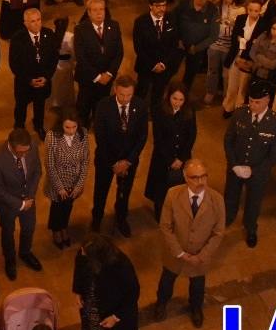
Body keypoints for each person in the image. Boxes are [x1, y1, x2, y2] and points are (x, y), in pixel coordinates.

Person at [153, 159, 224, 327]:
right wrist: (180, 253)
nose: (200, 182)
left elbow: (218, 232)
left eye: (203, 177)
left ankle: (196, 308)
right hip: (175, 253)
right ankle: (161, 303)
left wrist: (202, 256)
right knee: (167, 281)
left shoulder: (217, 200)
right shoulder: (173, 194)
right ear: (185, 177)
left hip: (199, 256)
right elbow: (165, 226)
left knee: (198, 285)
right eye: (195, 177)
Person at [223, 79, 276, 247]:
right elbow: (228, 140)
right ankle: (226, 220)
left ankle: (250, 228)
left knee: (254, 202)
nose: (252, 105)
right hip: (236, 167)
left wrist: (254, 170)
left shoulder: (275, 123)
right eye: (250, 101)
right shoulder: (240, 114)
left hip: (258, 173)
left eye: (257, 102)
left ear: (267, 100)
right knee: (230, 197)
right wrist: (234, 164)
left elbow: (275, 155)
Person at [72, 235, 139, 330]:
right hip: (92, 303)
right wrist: (77, 291)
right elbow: (79, 270)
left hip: (111, 310)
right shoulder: (84, 252)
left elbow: (132, 294)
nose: (81, 253)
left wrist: (115, 317)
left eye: (85, 253)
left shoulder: (121, 266)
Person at [90, 76, 148, 237]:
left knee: (124, 191)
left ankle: (121, 218)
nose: (125, 99)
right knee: (100, 191)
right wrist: (114, 163)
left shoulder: (140, 106)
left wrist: (128, 161)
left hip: (129, 160)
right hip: (106, 159)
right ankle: (97, 218)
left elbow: (142, 137)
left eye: (129, 95)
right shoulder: (103, 106)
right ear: (115, 90)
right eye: (122, 95)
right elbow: (100, 137)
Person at [0, 128, 43, 281]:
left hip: (28, 201)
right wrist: (20, 204)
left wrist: (30, 197)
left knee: (29, 228)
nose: (24, 155)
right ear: (10, 145)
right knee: (8, 232)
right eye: (20, 152)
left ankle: (25, 253)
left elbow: (37, 171)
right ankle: (10, 260)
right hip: (7, 205)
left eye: (26, 151)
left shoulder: (32, 147)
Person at [9, 9, 67, 139]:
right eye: (32, 21)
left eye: (38, 20)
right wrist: (29, 80)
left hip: (43, 80)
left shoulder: (48, 34)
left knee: (40, 104)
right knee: (21, 106)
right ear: (25, 23)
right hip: (24, 82)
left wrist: (46, 77)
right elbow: (14, 64)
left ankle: (39, 125)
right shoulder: (17, 39)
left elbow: (53, 58)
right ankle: (19, 126)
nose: (36, 24)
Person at [144, 85, 197, 221]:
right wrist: (170, 159)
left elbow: (191, 135)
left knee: (179, 186)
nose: (177, 102)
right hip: (163, 157)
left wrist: (181, 158)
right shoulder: (159, 111)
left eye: (181, 99)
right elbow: (158, 138)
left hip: (182, 157)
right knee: (161, 186)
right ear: (168, 97)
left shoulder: (189, 111)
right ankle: (160, 210)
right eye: (175, 98)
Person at [73, 0, 124, 129]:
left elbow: (119, 53)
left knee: (101, 104)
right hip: (87, 78)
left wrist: (109, 73)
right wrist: (97, 77)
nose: (99, 13)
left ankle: (98, 123)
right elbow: (81, 58)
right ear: (89, 13)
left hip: (107, 78)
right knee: (84, 105)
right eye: (95, 10)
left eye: (101, 9)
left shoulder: (114, 26)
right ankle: (82, 128)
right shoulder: (80, 29)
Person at [45, 113, 90, 249]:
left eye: (74, 127)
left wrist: (79, 185)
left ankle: (63, 227)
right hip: (58, 182)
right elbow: (50, 164)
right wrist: (60, 187)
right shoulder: (52, 137)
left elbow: (85, 161)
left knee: (68, 207)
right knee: (57, 207)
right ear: (61, 125)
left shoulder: (83, 134)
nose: (71, 131)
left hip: (74, 182)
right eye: (67, 127)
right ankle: (56, 230)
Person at [132, 0, 182, 105]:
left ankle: (155, 112)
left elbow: (174, 44)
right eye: (158, 6)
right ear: (150, 6)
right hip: (146, 65)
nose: (161, 9)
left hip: (164, 66)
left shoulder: (171, 18)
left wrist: (163, 63)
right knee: (141, 91)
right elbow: (138, 48)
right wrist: (153, 65)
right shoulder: (140, 22)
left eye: (164, 5)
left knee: (158, 93)